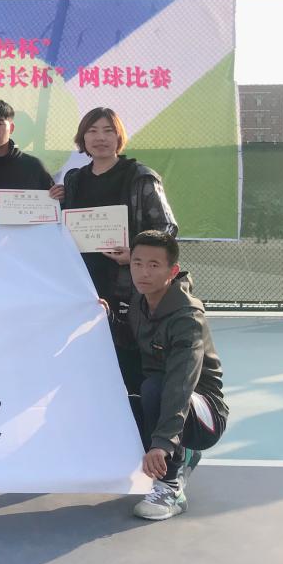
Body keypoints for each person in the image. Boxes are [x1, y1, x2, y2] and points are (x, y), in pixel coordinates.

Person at [59, 107, 177, 393]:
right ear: (83, 138)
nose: (100, 138)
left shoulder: (140, 177)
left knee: (129, 360)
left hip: (128, 288)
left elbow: (166, 228)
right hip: (86, 286)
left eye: (108, 131)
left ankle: (136, 415)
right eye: (92, 131)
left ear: (119, 136)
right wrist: (55, 200)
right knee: (87, 359)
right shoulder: (74, 179)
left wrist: (134, 256)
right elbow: (67, 226)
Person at [123, 230, 227, 521]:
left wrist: (163, 442)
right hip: (166, 399)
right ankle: (184, 455)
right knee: (124, 392)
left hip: (204, 415)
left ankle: (171, 487)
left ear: (173, 271)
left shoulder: (187, 317)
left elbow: (181, 382)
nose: (143, 272)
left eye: (154, 265)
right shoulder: (139, 302)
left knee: (156, 387)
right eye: (137, 263)